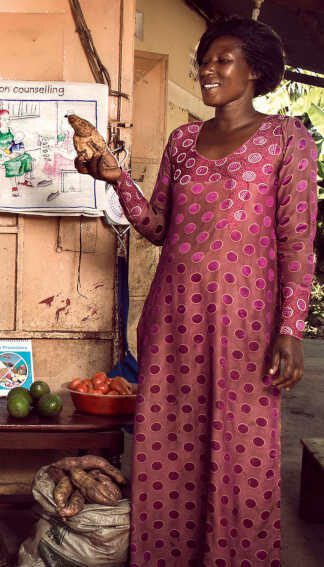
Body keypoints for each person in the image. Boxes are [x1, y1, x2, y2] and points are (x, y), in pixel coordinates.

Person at [75, 17, 317, 566]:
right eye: (204, 60)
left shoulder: (286, 139)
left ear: (254, 71)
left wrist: (290, 330)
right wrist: (117, 180)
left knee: (241, 449)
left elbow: (297, 241)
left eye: (222, 60)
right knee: (167, 443)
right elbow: (159, 226)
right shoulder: (183, 141)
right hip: (173, 316)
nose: (208, 69)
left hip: (246, 322)